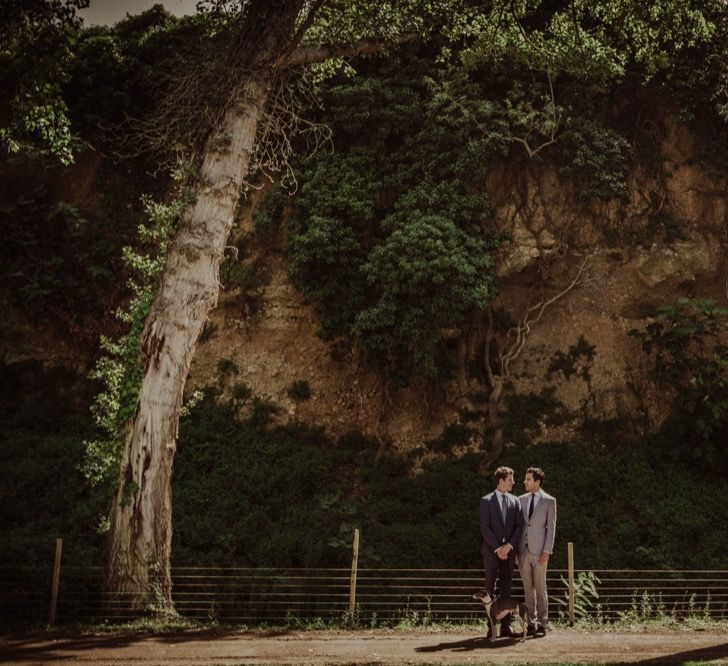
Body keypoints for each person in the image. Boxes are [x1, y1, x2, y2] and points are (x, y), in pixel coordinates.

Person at [479, 465, 523, 638]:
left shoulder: (515, 501)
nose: (514, 482)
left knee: (507, 588)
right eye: (511, 479)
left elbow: (519, 526)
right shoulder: (486, 501)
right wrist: (498, 548)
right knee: (489, 589)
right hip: (491, 552)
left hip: (509, 552)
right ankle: (491, 627)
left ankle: (506, 627)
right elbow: (485, 527)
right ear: (501, 481)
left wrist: (508, 546)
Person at [517, 466, 557, 637]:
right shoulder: (520, 499)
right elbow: (518, 526)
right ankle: (531, 625)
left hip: (540, 552)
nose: (524, 482)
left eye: (528, 479)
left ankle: (542, 624)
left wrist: (547, 551)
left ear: (537, 482)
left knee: (541, 589)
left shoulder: (549, 501)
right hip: (522, 552)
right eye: (525, 479)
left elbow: (551, 529)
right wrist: (516, 552)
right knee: (528, 590)